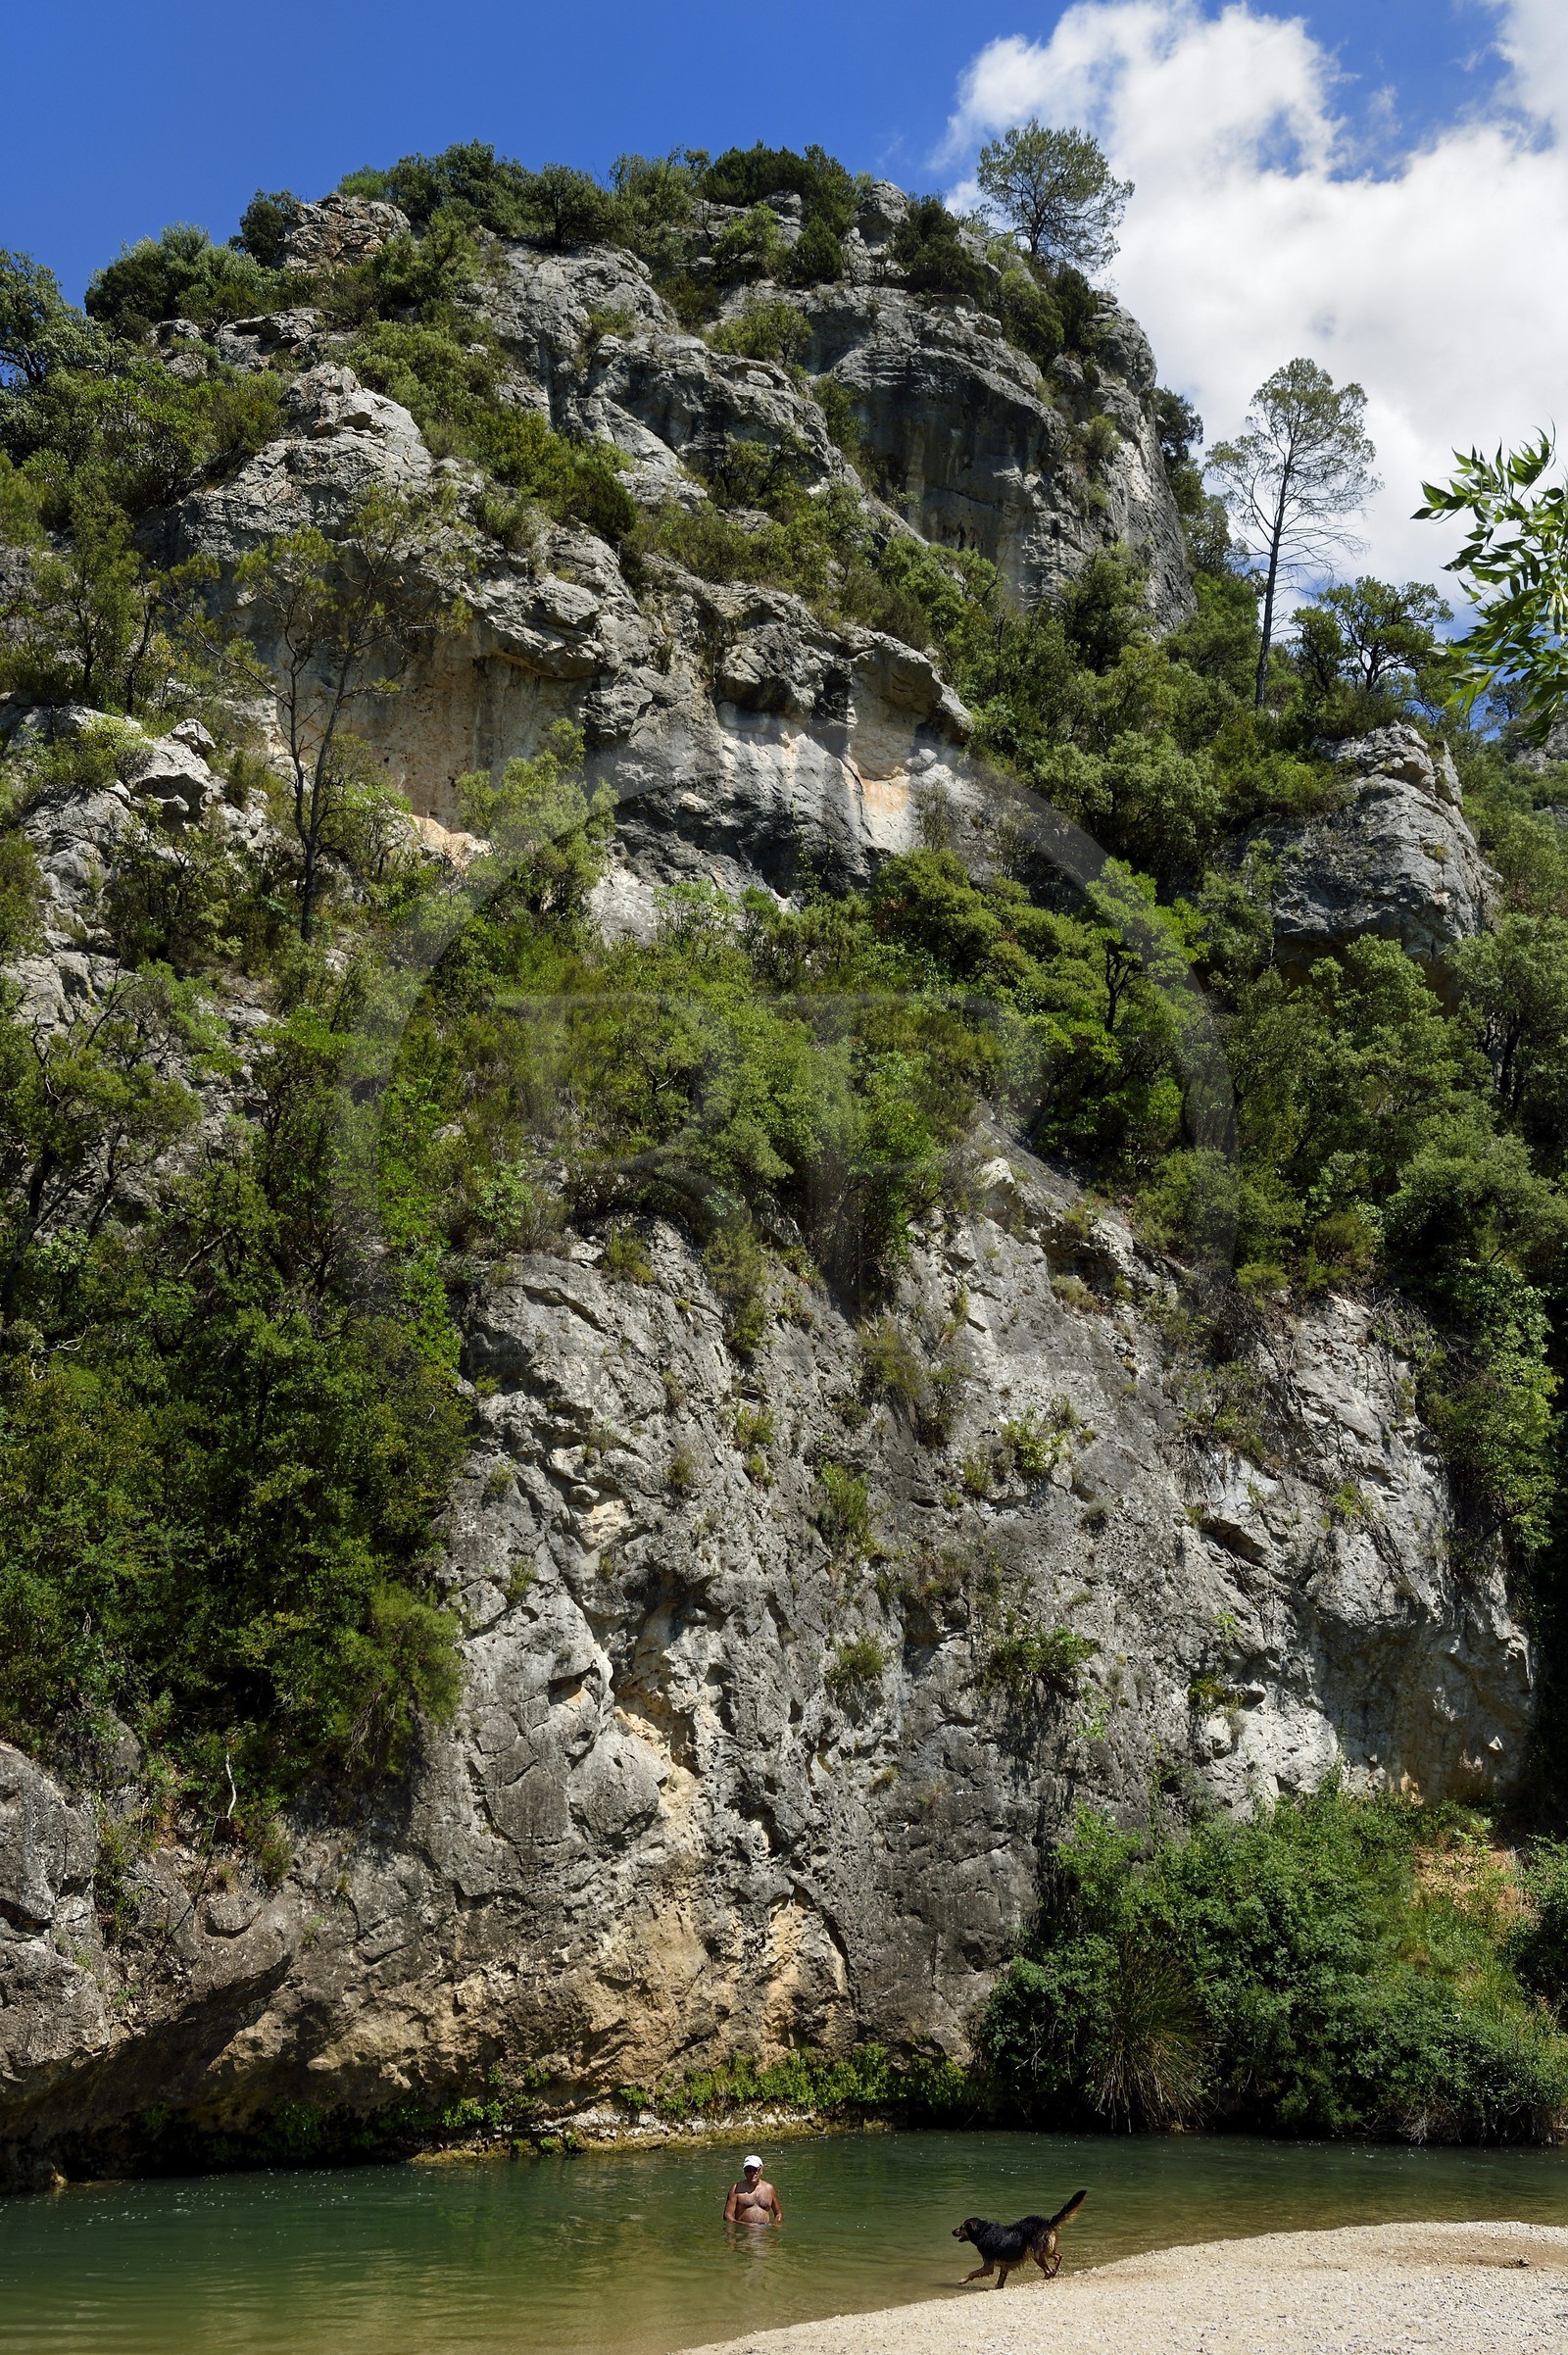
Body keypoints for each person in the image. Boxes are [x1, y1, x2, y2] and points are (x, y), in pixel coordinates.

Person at [724, 2153, 782, 2227]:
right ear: (744, 2171)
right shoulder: (736, 2189)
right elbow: (727, 2216)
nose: (752, 2173)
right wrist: (745, 2225)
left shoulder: (770, 2189)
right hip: (743, 2232)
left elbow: (778, 2213)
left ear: (761, 2170)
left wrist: (775, 2225)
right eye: (749, 2170)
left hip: (764, 2233)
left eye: (755, 2170)